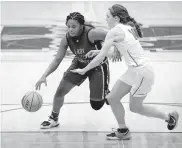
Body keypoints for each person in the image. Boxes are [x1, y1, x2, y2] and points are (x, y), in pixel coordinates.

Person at [70, 4, 179, 140]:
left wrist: (84, 69)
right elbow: (118, 52)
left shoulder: (114, 32)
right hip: (135, 70)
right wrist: (98, 51)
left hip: (142, 72)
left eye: (108, 17)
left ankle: (169, 118)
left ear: (116, 18)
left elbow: (101, 58)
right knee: (112, 98)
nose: (106, 19)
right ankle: (123, 130)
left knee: (135, 107)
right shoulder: (128, 27)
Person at [35, 12, 121, 129]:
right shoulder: (66, 39)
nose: (70, 29)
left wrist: (115, 49)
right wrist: (44, 75)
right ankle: (53, 118)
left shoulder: (91, 33)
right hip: (79, 63)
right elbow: (57, 59)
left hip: (97, 65)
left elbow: (115, 36)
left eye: (74, 26)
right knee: (60, 91)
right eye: (68, 26)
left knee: (96, 105)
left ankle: (105, 92)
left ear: (82, 25)